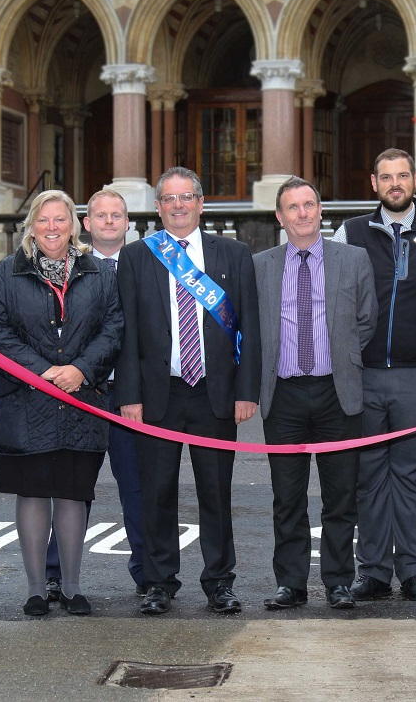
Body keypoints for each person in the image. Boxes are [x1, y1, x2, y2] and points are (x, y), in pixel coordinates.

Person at [113, 167, 261, 615]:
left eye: (187, 197)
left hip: (215, 393)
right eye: (170, 199)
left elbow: (250, 328)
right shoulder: (138, 256)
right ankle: (159, 582)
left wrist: (246, 390)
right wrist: (129, 396)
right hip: (159, 393)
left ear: (201, 203)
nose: (178, 206)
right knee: (156, 491)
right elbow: (128, 333)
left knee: (216, 492)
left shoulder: (233, 254)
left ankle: (219, 582)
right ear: (158, 208)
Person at [0, 189, 123, 617]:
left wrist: (80, 369)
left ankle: (73, 587)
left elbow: (113, 328)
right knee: (33, 492)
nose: (52, 228)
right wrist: (42, 372)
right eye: (43, 220)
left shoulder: (99, 273)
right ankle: (36, 589)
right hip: (25, 401)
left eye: (60, 220)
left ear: (74, 225)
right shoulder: (6, 274)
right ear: (31, 226)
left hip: (82, 397)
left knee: (73, 493)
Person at [332, 148, 416, 603]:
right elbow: (337, 299)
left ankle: (415, 571)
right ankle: (375, 571)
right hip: (363, 374)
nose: (395, 184)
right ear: (374, 183)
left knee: (413, 474)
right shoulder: (352, 232)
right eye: (386, 177)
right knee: (368, 475)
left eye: (402, 176)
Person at [256, 178, 377, 611]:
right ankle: (291, 583)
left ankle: (339, 581)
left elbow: (366, 321)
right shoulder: (262, 266)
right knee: (286, 497)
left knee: (340, 496)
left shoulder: (354, 260)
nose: (302, 213)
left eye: (309, 205)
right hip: (283, 396)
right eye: (292, 207)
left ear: (321, 210)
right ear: (280, 216)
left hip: (337, 393)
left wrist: (340, 358)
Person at [44, 189, 145, 601]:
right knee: (73, 488)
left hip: (130, 394)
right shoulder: (72, 268)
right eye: (100, 215)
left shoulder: (145, 264)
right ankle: (56, 573)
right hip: (81, 391)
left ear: (127, 222)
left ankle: (148, 573)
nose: (108, 222)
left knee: (137, 488)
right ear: (86, 223)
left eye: (116, 215)